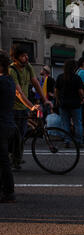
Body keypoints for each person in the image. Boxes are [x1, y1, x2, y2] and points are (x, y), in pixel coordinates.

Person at [9, 44, 52, 170]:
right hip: (13, 108)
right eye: (23, 56)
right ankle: (11, 159)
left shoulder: (28, 67)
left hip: (23, 107)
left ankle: (16, 158)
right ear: (16, 58)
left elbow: (36, 84)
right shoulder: (12, 70)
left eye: (27, 55)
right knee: (14, 136)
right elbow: (18, 93)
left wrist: (45, 100)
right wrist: (32, 106)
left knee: (21, 135)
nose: (26, 58)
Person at [0, 51, 18, 203]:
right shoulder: (9, 80)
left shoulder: (2, 82)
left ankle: (8, 192)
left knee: (3, 160)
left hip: (2, 125)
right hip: (8, 123)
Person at [55, 59, 84, 146]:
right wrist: (82, 98)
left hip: (63, 104)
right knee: (77, 123)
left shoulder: (60, 77)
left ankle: (67, 141)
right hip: (75, 104)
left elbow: (56, 90)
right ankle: (78, 141)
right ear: (74, 68)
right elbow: (80, 91)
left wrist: (58, 100)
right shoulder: (77, 78)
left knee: (65, 123)